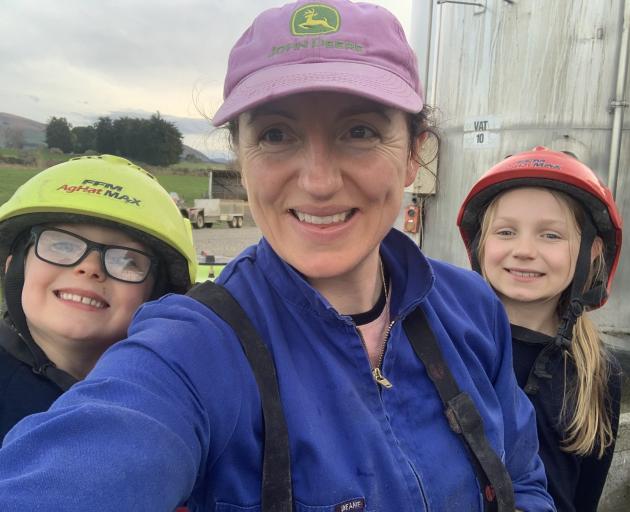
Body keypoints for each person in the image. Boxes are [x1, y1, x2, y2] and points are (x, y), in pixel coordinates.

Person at [0, 2, 554, 510]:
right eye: (275, 135)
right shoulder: (194, 349)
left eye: (358, 131)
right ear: (241, 159)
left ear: (414, 154)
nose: (317, 181)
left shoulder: (471, 310)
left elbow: (523, 478)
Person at [457, 147, 623, 511]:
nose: (524, 250)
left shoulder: (598, 373)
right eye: (506, 231)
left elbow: (584, 498)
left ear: (591, 252)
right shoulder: (450, 347)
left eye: (550, 235)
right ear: (480, 243)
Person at [0, 154, 197, 441]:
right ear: (14, 268)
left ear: (156, 294)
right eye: (62, 244)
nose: (89, 267)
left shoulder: (172, 402)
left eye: (126, 260)